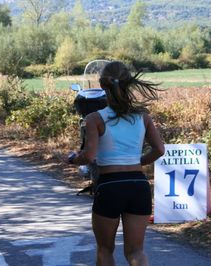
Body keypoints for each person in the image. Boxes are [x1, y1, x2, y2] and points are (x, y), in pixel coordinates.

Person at [69, 61, 164, 266]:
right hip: (138, 185)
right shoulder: (142, 117)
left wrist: (73, 159)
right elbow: (159, 150)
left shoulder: (95, 118)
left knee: (105, 250)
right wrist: (137, 162)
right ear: (128, 84)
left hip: (110, 185)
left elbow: (90, 156)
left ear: (102, 86)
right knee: (136, 251)